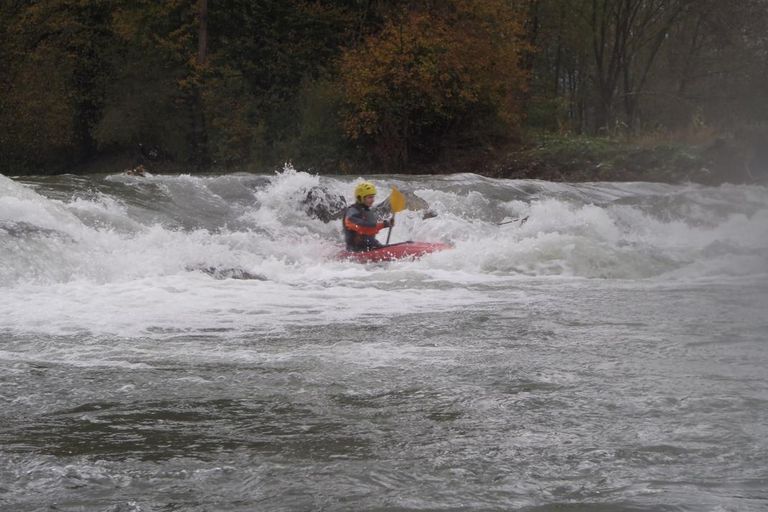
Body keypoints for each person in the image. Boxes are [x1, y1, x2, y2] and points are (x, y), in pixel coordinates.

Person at [343, 181, 394, 252]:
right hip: (355, 249)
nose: (373, 200)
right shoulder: (352, 212)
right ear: (360, 198)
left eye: (373, 197)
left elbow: (370, 230)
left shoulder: (367, 211)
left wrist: (387, 224)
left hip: (369, 244)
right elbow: (362, 227)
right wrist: (383, 225)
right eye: (370, 197)